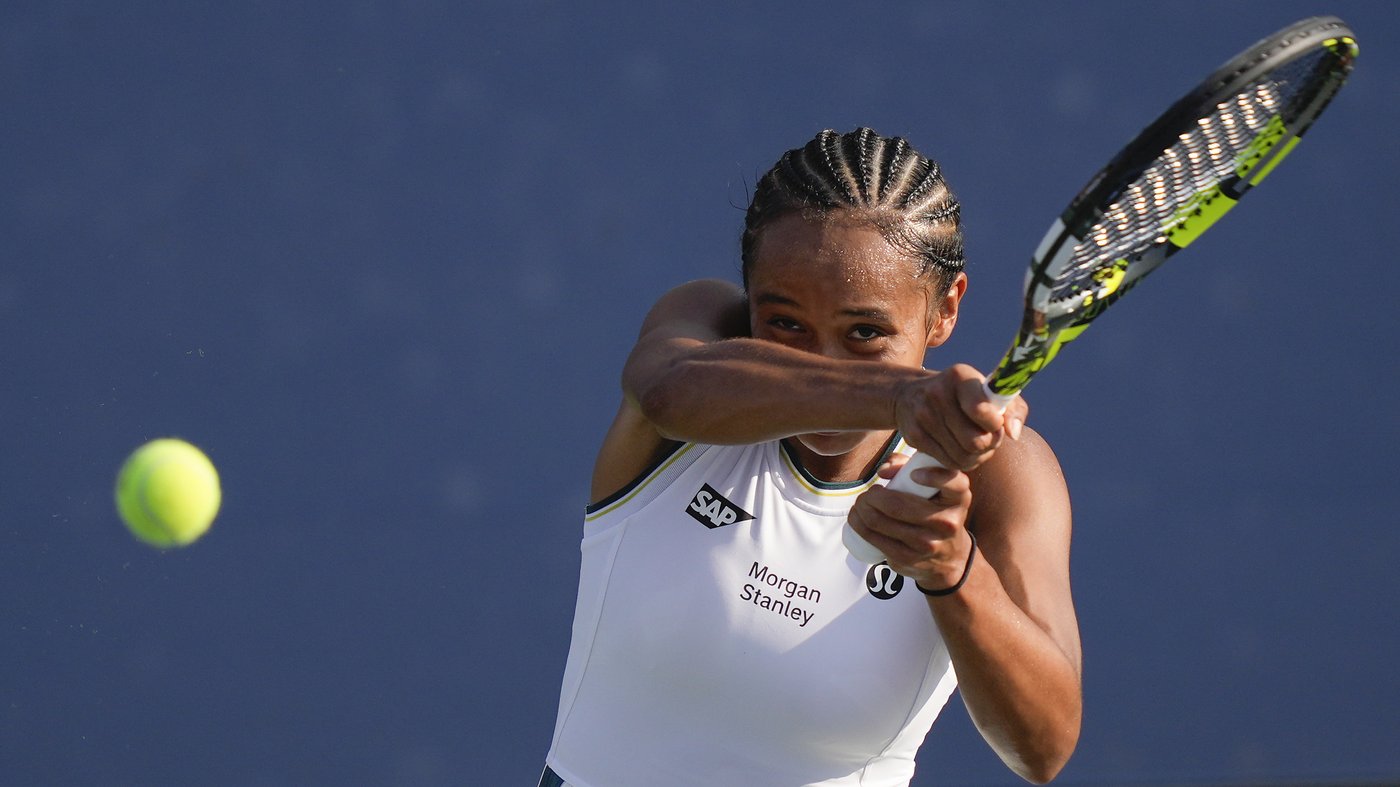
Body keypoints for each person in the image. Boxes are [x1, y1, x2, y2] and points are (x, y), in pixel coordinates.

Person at [540, 128, 1081, 786]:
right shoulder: (700, 340)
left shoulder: (1002, 476)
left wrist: (953, 569)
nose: (821, 356)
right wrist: (899, 392)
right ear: (748, 298)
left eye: (865, 332)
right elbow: (665, 389)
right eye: (786, 323)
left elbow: (1043, 746)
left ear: (945, 311)